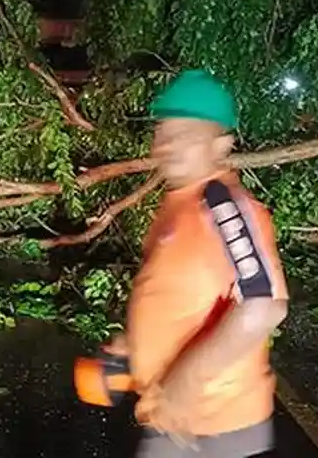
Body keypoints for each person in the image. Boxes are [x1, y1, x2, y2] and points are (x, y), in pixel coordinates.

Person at [109, 69, 288, 457]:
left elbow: (263, 307)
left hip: (216, 430)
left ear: (222, 145)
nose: (169, 144)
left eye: (188, 134)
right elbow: (183, 296)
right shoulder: (178, 203)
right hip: (174, 423)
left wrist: (180, 388)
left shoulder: (224, 207)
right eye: (164, 130)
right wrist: (133, 348)